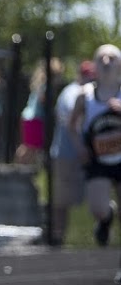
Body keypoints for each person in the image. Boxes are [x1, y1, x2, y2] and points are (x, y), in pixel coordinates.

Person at [69, 44, 121, 267]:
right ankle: (107, 217)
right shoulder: (85, 96)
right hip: (98, 158)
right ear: (95, 65)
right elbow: (72, 126)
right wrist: (79, 147)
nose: (107, 62)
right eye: (102, 58)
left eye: (112, 57)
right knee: (98, 208)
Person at [50, 59, 96, 243]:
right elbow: (73, 121)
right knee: (62, 200)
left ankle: (63, 237)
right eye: (87, 76)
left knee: (78, 199)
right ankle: (57, 237)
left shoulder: (87, 93)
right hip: (67, 154)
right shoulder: (73, 92)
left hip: (78, 155)